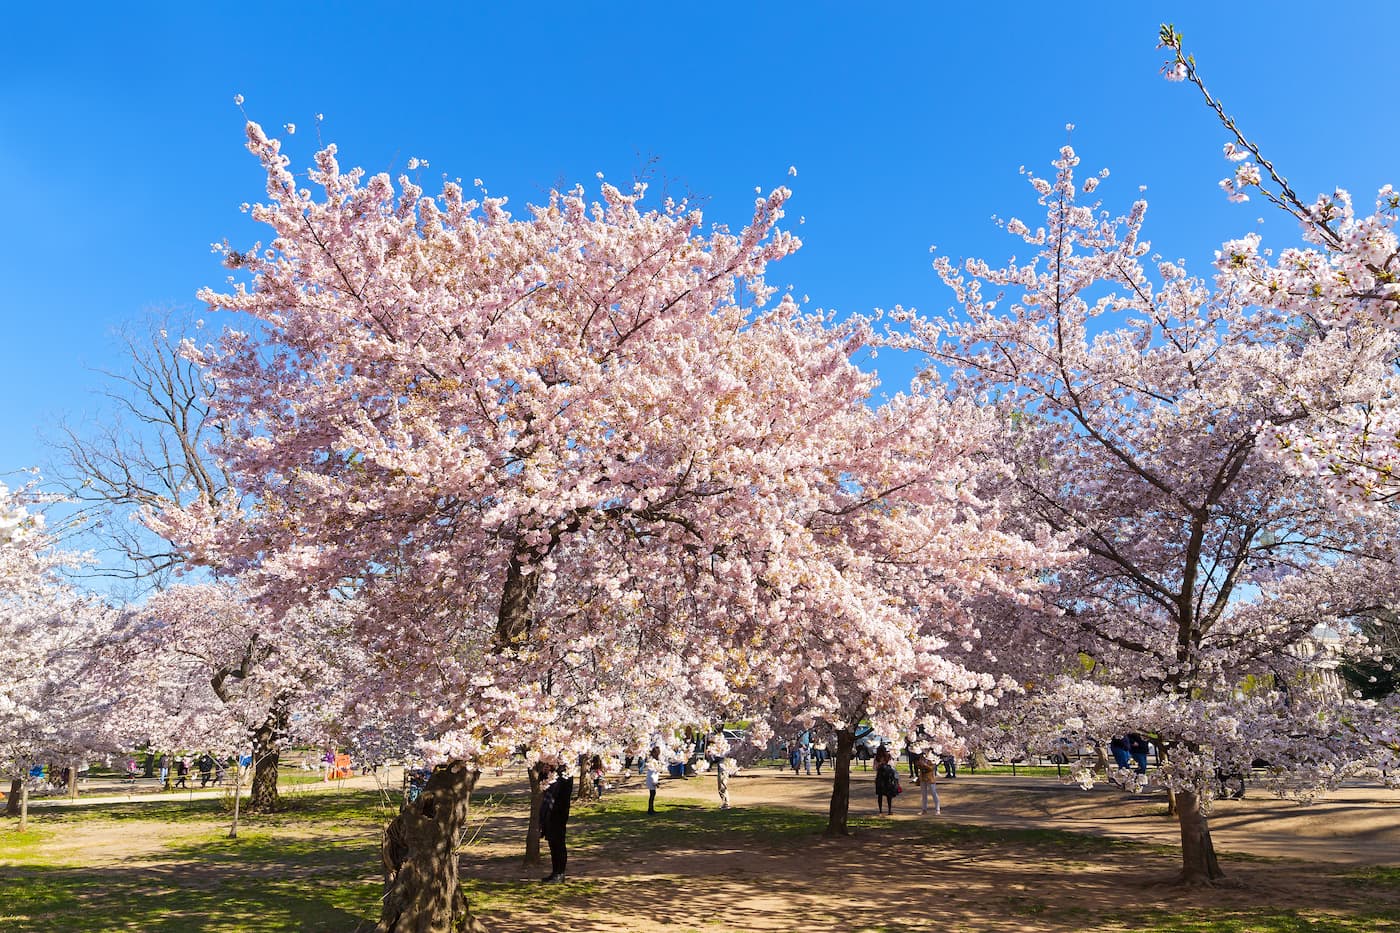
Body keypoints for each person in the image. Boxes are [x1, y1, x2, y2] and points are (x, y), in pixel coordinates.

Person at [538, 764, 574, 882]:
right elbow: (542, 784)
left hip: (559, 812)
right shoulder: (551, 771)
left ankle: (560, 873)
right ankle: (555, 872)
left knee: (558, 843)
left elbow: (560, 790)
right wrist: (544, 772)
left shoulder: (566, 773)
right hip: (548, 811)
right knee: (552, 842)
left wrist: (553, 775)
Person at [644, 746, 662, 814]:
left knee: (652, 794)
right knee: (652, 795)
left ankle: (651, 809)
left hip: (652, 779)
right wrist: (655, 782)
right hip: (652, 780)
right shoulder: (652, 761)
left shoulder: (653, 760)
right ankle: (650, 810)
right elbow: (652, 773)